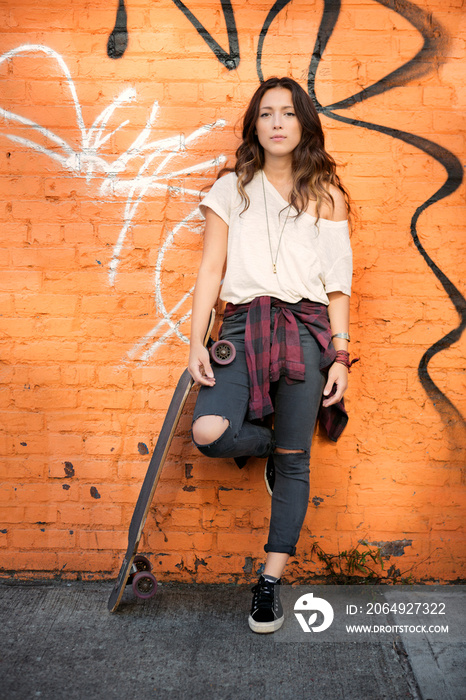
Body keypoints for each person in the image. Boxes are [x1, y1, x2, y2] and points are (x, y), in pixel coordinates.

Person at [187, 77, 353, 634]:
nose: (277, 122)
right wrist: (196, 343)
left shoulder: (326, 194)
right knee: (210, 430)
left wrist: (340, 354)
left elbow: (337, 284)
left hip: (306, 331)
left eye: (287, 112)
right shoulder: (230, 189)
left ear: (303, 123)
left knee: (297, 461)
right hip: (242, 325)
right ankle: (269, 449)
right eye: (266, 113)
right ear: (254, 126)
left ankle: (270, 581)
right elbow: (210, 269)